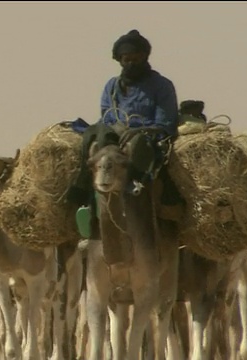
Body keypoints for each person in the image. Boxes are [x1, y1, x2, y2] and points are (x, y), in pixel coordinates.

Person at [69, 30, 185, 252]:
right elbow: (107, 115)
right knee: (94, 135)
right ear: (119, 60)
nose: (131, 64)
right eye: (126, 59)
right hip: (115, 137)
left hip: (149, 138)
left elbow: (165, 121)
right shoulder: (111, 86)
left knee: (137, 143)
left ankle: (136, 182)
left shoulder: (161, 85)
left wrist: (136, 131)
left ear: (145, 57)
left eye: (136, 59)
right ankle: (82, 190)